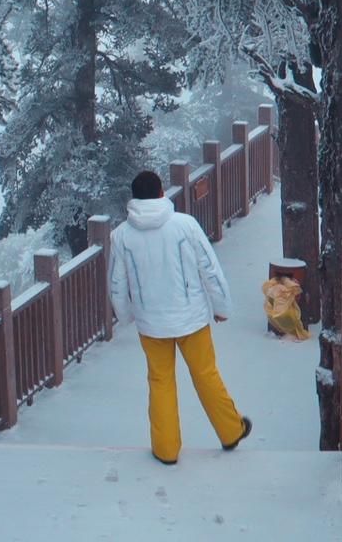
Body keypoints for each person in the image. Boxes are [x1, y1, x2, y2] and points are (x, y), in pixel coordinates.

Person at [108, 170, 252, 465]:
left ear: (133, 199)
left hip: (151, 324)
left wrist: (125, 316)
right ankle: (230, 430)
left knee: (160, 382)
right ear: (162, 192)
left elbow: (116, 283)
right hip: (192, 319)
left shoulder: (121, 235)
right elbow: (209, 269)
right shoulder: (184, 225)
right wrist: (221, 307)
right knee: (206, 375)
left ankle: (166, 449)